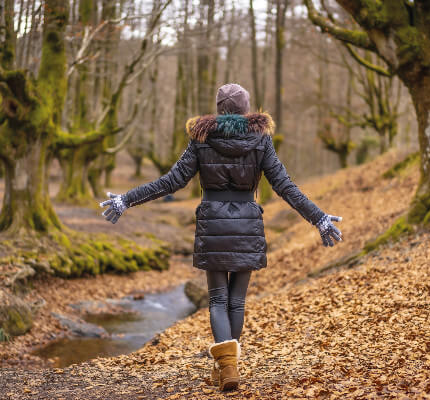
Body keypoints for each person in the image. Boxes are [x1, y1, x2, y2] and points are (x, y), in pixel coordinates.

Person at [99, 83, 342, 391]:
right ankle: (229, 368)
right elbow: (285, 187)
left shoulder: (202, 139)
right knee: (236, 301)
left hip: (213, 223)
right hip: (247, 224)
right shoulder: (261, 139)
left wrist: (127, 199)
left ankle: (227, 367)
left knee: (217, 298)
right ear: (246, 109)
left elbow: (172, 182)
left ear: (218, 109)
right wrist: (318, 217)